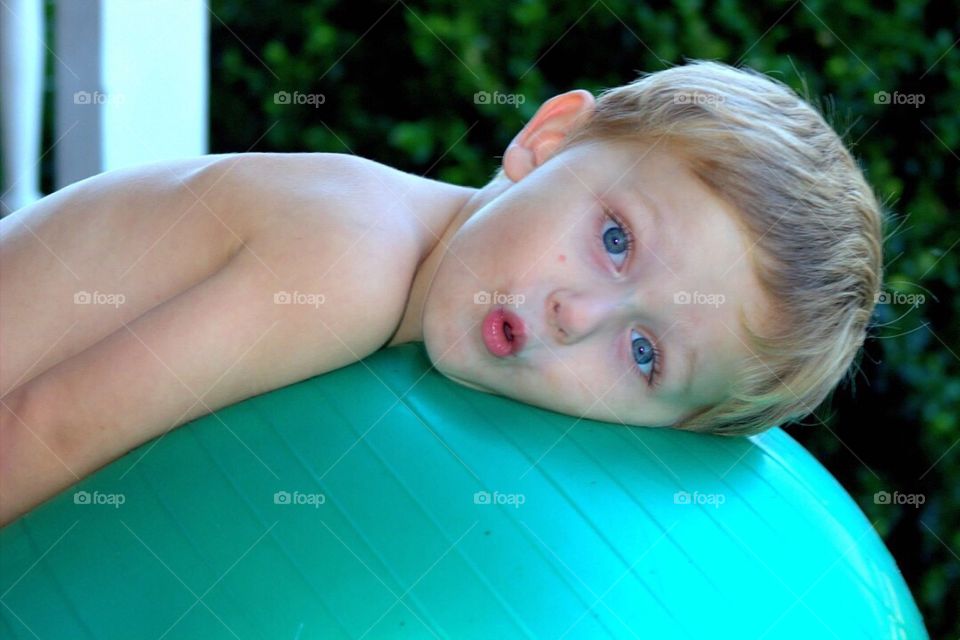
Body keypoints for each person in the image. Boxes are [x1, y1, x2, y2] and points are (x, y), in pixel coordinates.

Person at [0, 60, 884, 524]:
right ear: (548, 139)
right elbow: (51, 424)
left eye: (645, 352)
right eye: (615, 240)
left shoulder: (406, 286)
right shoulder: (348, 262)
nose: (579, 316)